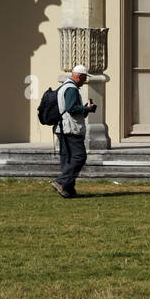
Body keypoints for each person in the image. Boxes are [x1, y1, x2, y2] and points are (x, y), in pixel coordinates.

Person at [51, 64, 96, 199]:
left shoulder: (64, 86)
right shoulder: (72, 89)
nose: (84, 81)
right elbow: (71, 108)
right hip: (70, 128)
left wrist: (84, 108)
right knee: (79, 157)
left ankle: (68, 190)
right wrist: (86, 109)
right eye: (84, 78)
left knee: (68, 158)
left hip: (63, 128)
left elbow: (68, 108)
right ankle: (61, 181)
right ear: (80, 76)